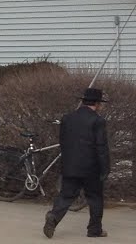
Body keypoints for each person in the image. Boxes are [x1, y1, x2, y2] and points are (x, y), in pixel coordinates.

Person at [43, 87, 110, 239]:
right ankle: (94, 230)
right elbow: (101, 146)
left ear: (83, 101)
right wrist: (105, 168)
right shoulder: (98, 121)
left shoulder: (67, 118)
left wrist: (66, 162)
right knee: (95, 197)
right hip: (91, 168)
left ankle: (53, 216)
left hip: (70, 164)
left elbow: (63, 142)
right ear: (97, 103)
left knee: (66, 195)